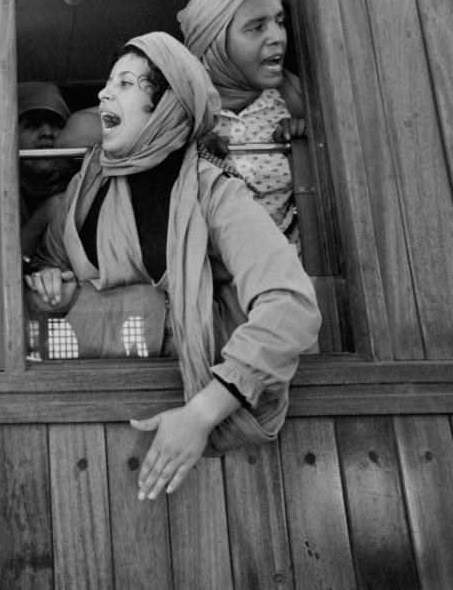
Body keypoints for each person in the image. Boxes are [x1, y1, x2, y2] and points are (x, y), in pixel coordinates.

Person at [25, 32, 320, 500]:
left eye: (125, 83)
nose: (103, 93)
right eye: (108, 83)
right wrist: (47, 285)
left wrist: (201, 415)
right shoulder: (85, 187)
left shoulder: (212, 191)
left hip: (189, 430)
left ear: (165, 107)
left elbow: (291, 305)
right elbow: (48, 269)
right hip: (81, 414)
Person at [178, 0, 306, 247]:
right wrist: (182, 142)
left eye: (279, 22)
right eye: (256, 27)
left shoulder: (293, 97)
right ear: (214, 44)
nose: (277, 37)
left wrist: (302, 142)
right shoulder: (181, 110)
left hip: (283, 272)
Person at [16, 82, 74, 258]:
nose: (47, 133)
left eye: (57, 124)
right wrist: (43, 217)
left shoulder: (82, 186)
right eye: (32, 125)